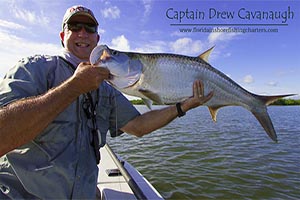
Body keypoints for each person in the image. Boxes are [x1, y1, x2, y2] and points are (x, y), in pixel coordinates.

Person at [0, 5, 213, 199]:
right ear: (63, 35)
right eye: (74, 26)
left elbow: (138, 127)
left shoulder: (106, 89)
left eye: (89, 28)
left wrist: (182, 106)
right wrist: (74, 86)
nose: (82, 33)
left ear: (97, 38)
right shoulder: (34, 68)